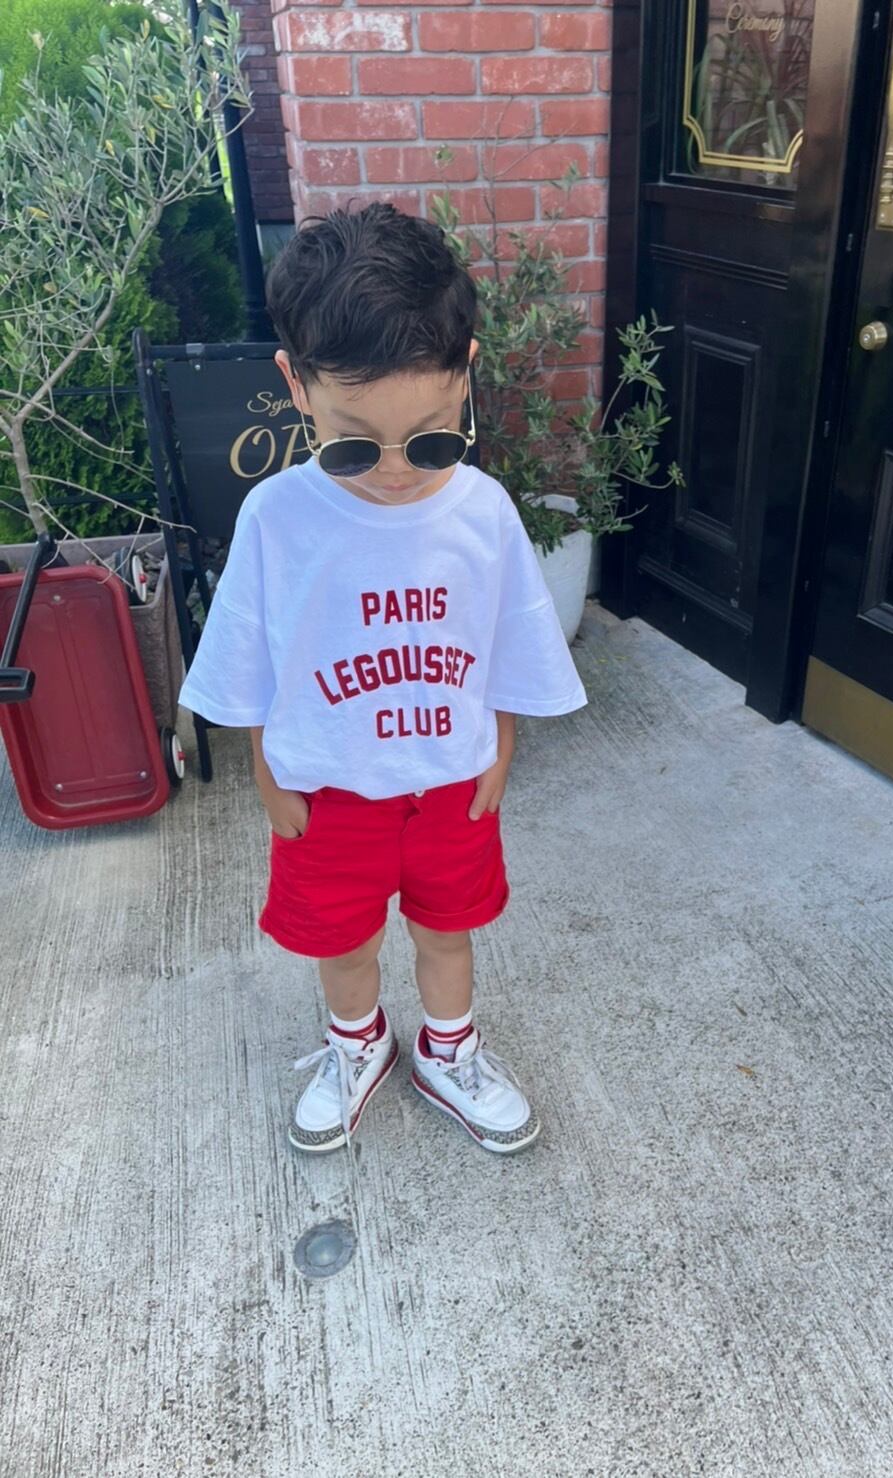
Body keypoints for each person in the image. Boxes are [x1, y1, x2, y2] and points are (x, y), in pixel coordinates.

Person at [178, 203, 587, 1157]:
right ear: (297, 385)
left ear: (466, 374)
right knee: (343, 941)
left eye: (435, 439)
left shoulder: (482, 511)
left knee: (449, 931)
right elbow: (254, 660)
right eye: (355, 445)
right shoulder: (278, 518)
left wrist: (502, 746)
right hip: (326, 790)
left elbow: (510, 641)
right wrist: (266, 770)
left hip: (451, 785)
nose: (398, 473)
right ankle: (357, 1044)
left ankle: (449, 1051)